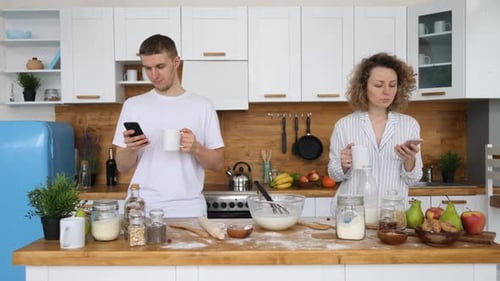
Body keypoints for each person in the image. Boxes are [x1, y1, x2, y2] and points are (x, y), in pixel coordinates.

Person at [112, 34, 225, 217]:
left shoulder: (202, 106)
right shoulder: (133, 105)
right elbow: (122, 166)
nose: (154, 75)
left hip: (188, 208)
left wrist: (196, 148)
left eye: (160, 66)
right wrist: (131, 149)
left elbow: (218, 163)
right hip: (142, 207)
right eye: (147, 68)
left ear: (176, 62)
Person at [328, 52, 423, 207]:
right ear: (363, 87)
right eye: (379, 85)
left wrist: (410, 161)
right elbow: (334, 175)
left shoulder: (409, 125)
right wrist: (343, 164)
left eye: (392, 85)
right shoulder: (344, 125)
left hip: (392, 215)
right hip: (353, 213)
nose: (387, 91)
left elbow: (413, 179)